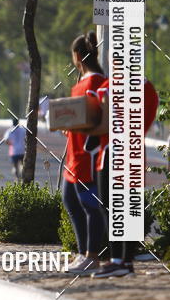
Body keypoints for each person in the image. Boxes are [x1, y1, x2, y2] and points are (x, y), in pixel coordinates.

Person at [91, 77, 159, 277]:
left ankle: (117, 260)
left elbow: (104, 125)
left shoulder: (109, 86)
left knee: (110, 206)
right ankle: (126, 261)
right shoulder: (147, 87)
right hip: (134, 150)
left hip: (113, 152)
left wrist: (78, 128)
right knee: (129, 206)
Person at [61, 32, 107, 275]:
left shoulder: (96, 84)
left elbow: (100, 118)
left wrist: (78, 126)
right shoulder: (81, 84)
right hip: (74, 153)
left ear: (77, 56)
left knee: (90, 205)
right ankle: (83, 253)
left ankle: (92, 256)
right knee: (70, 199)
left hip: (88, 154)